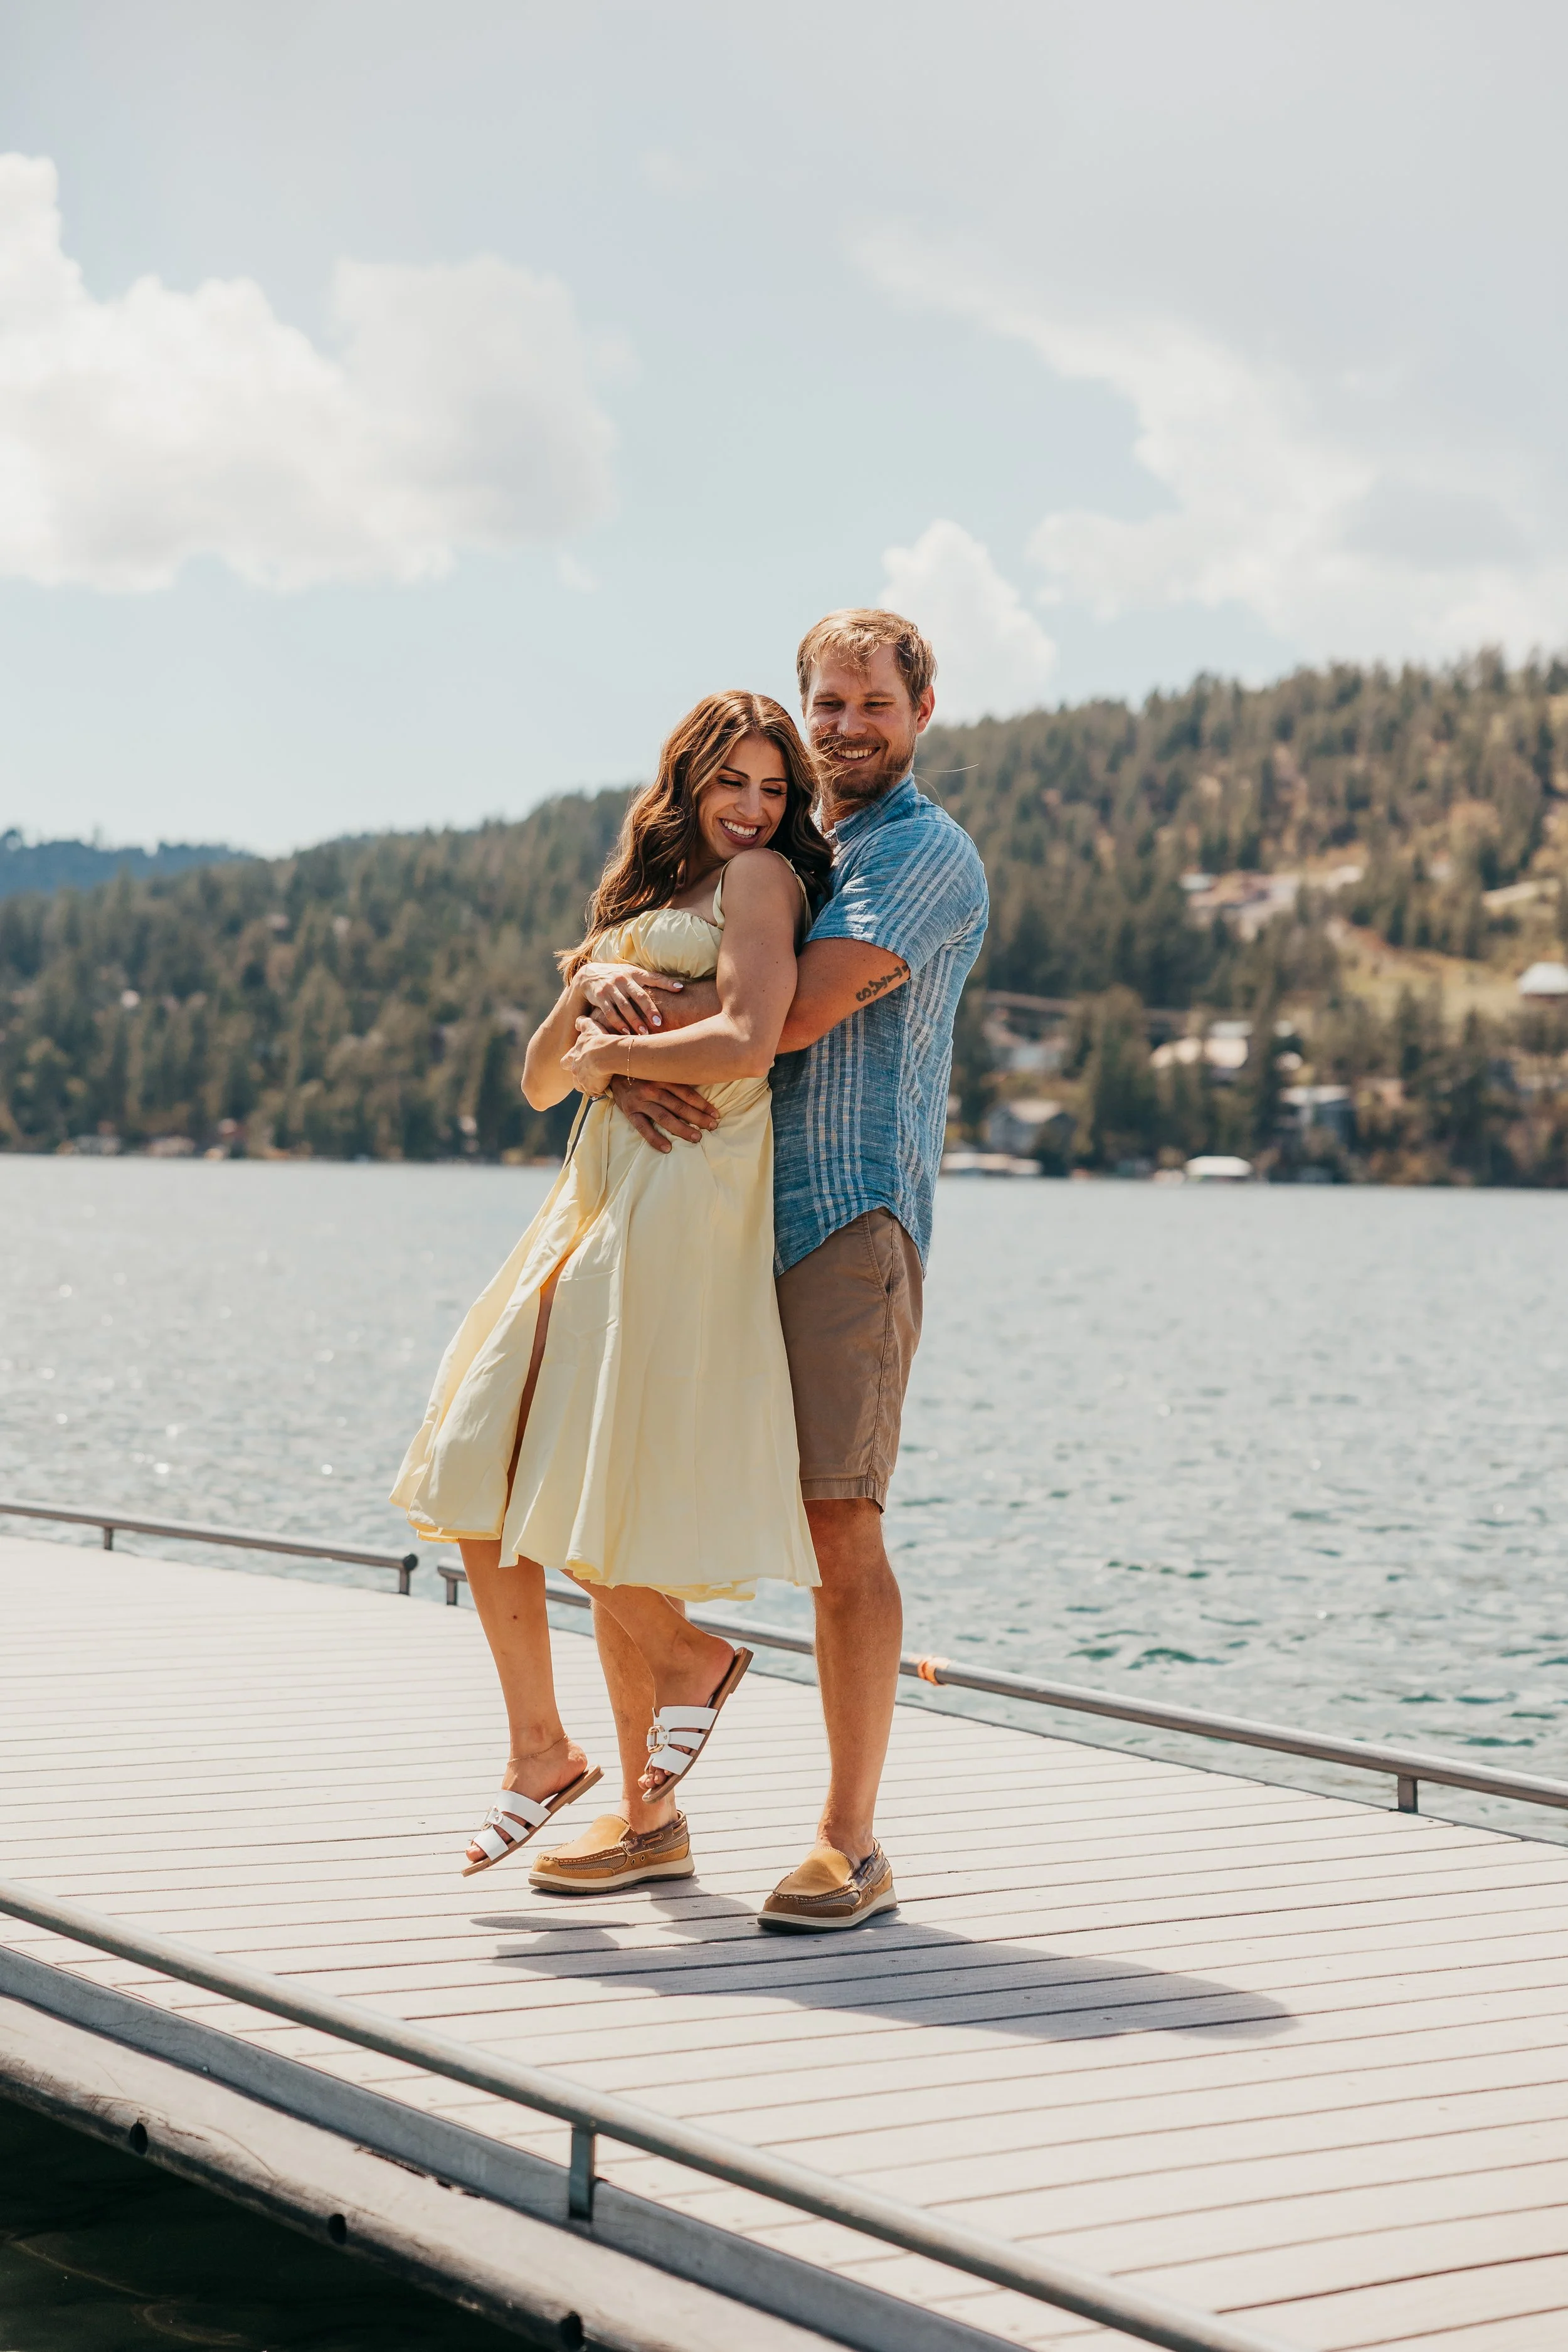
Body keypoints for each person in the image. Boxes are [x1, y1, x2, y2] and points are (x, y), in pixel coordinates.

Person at [565, 608, 988, 1930]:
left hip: (842, 1224)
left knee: (834, 1524)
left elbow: (780, 1019)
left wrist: (617, 1040)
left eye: (871, 703)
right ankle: (647, 1818)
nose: (846, 726)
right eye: (828, 704)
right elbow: (668, 955)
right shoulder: (795, 843)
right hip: (712, 1218)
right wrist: (603, 995)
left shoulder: (918, 855)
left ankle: (850, 1846)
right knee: (622, 1506)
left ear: (920, 710)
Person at [391, 691, 832, 1882]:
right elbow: (540, 1080)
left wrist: (619, 1056)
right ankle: (543, 1749)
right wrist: (586, 1013)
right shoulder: (636, 902)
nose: (753, 808)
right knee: (478, 1454)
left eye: (774, 788)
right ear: (686, 782)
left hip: (684, 1191)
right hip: (592, 1194)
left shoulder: (762, 887)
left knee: (564, 1468)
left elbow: (748, 1034)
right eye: (732, 783)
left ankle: (675, 1699)